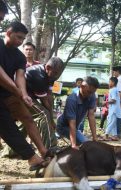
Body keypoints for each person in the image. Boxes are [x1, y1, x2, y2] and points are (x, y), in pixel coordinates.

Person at [0, 18, 49, 170]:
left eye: (23, 38)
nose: (21, 42)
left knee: (27, 116)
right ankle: (31, 157)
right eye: (18, 37)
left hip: (8, 93)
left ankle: (44, 151)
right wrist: (17, 92)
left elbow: (20, 76)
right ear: (9, 33)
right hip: (7, 89)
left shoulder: (19, 57)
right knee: (7, 126)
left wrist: (24, 94)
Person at [56, 76, 99, 149]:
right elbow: (71, 123)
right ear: (82, 86)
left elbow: (91, 116)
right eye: (89, 92)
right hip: (64, 126)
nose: (90, 95)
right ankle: (57, 133)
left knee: (89, 144)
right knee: (86, 144)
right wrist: (73, 145)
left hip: (75, 126)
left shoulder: (91, 95)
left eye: (92, 92)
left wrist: (95, 138)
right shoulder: (72, 100)